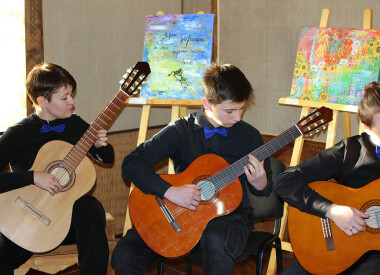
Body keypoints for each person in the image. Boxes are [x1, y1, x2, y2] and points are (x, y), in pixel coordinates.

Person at [111, 63, 273, 274]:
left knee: (215, 237)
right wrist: (170, 191)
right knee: (125, 255)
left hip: (230, 221)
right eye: (230, 111)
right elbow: (132, 163)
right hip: (180, 217)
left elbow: (265, 189)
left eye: (241, 109)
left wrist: (260, 182)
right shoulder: (181, 130)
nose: (237, 117)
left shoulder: (250, 136)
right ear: (207, 103)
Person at [0, 62, 115, 275]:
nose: (72, 102)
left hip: (64, 222)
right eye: (64, 98)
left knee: (89, 207)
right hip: (27, 220)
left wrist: (101, 145)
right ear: (43, 101)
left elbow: (107, 159)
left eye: (72, 95)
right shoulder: (16, 134)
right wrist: (33, 177)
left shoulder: (75, 124)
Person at [274, 81, 380, 274]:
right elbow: (285, 181)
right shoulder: (350, 150)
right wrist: (332, 210)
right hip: (332, 246)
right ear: (365, 126)